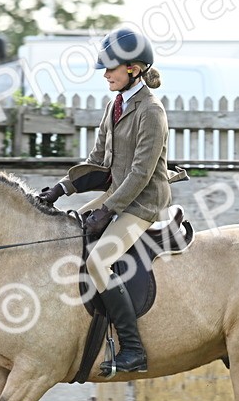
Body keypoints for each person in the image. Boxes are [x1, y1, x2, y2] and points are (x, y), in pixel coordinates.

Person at [38, 27, 176, 375]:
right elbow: (98, 160)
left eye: (110, 69)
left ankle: (133, 348)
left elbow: (141, 174)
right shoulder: (115, 105)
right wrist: (61, 188)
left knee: (98, 262)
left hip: (143, 203)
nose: (105, 75)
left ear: (133, 69)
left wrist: (106, 211)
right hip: (117, 196)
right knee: (68, 230)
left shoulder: (151, 111)